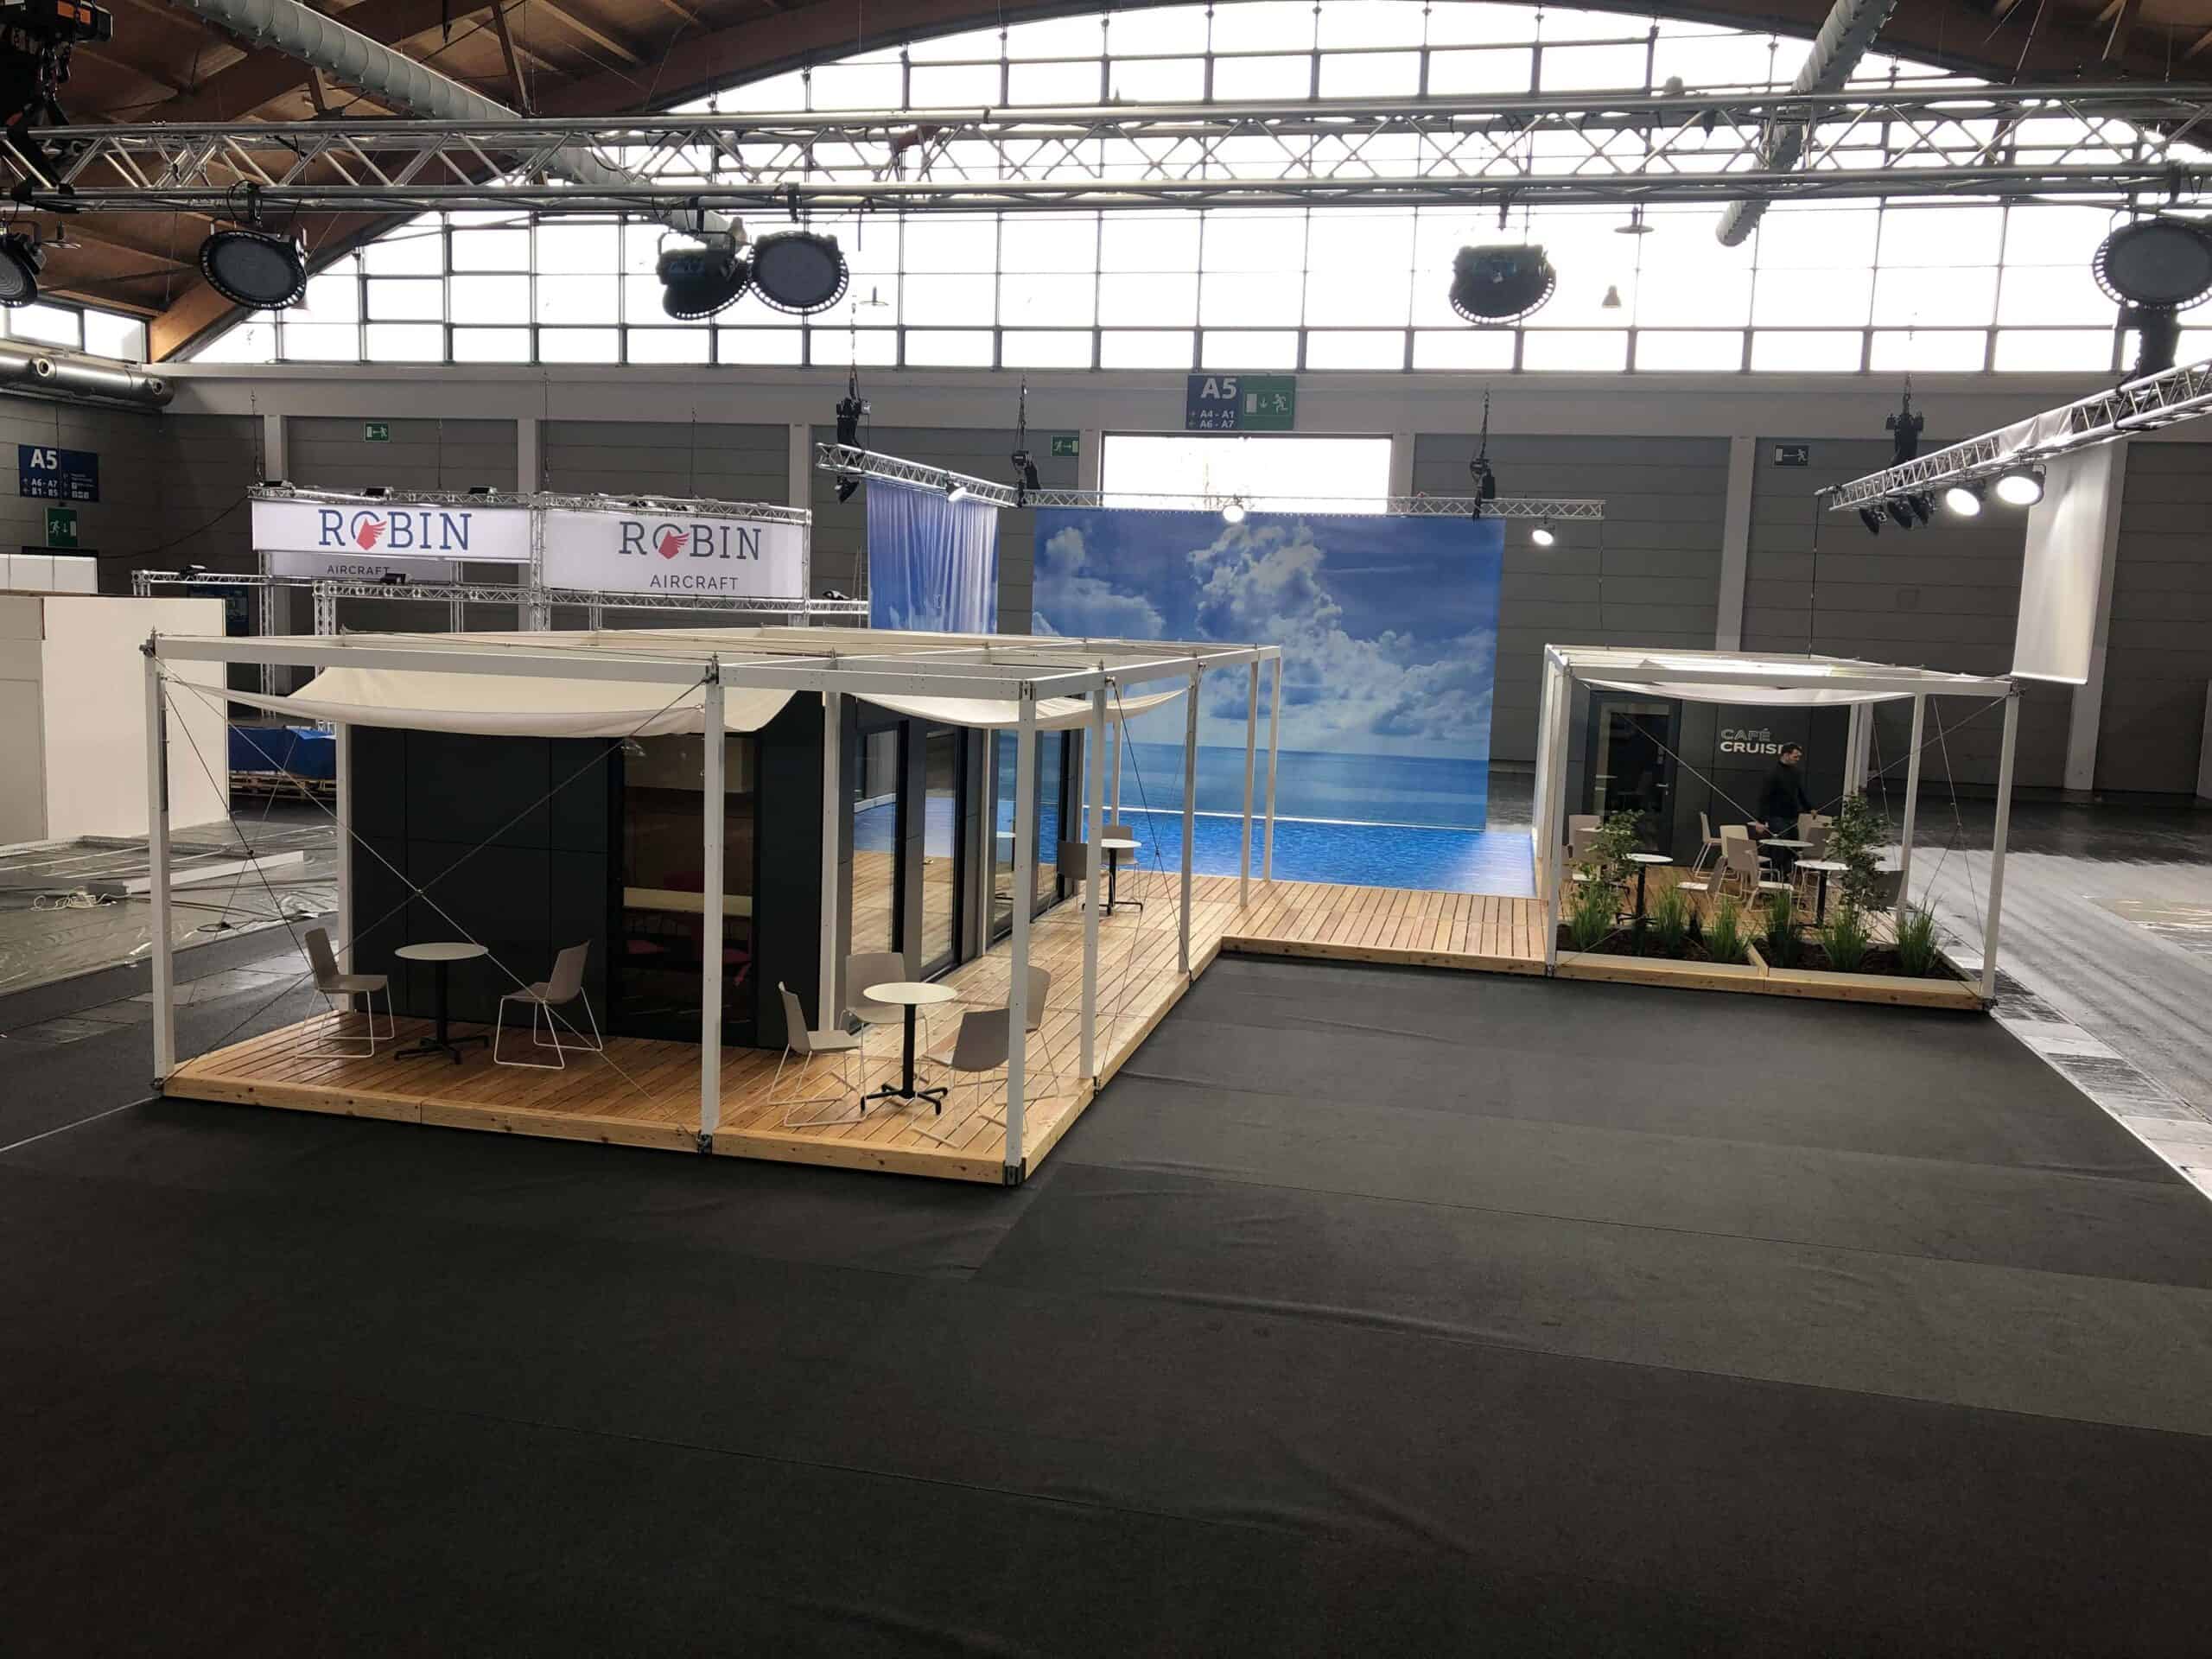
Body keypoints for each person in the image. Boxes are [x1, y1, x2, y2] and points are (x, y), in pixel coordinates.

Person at [1758, 743, 1813, 873]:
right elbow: (1764, 797)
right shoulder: (1773, 773)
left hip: (1792, 817)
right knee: (1779, 848)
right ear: (1786, 755)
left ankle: (1786, 875)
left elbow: (1800, 793)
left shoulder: (1796, 773)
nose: (1797, 759)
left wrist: (1810, 808)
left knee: (1792, 848)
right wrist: (1760, 821)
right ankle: (1774, 875)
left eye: (1799, 757)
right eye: (1795, 756)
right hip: (1776, 817)